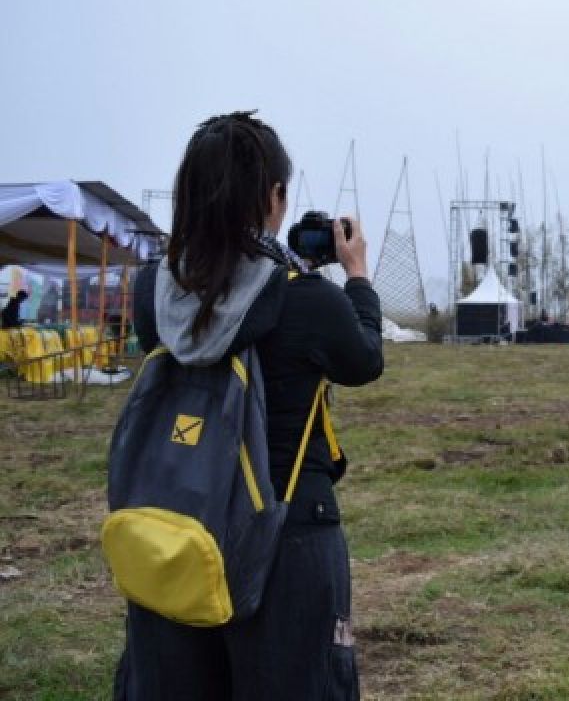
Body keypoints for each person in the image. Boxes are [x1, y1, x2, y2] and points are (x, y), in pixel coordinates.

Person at [115, 111, 383, 700]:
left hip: (175, 527)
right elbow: (364, 360)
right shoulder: (307, 299)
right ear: (275, 196)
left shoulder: (151, 292)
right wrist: (357, 274)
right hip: (286, 530)